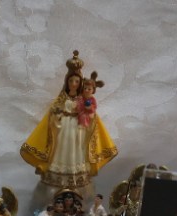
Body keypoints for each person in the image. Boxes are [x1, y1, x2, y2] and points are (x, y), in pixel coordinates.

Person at [20, 51, 118, 203]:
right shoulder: (61, 99)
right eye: (71, 81)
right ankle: (57, 185)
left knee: (76, 151)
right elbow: (52, 115)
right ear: (67, 82)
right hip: (63, 130)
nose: (73, 84)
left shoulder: (83, 99)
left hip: (78, 130)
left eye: (76, 81)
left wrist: (89, 114)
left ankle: (76, 185)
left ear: (80, 83)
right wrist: (56, 117)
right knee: (63, 150)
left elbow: (92, 117)